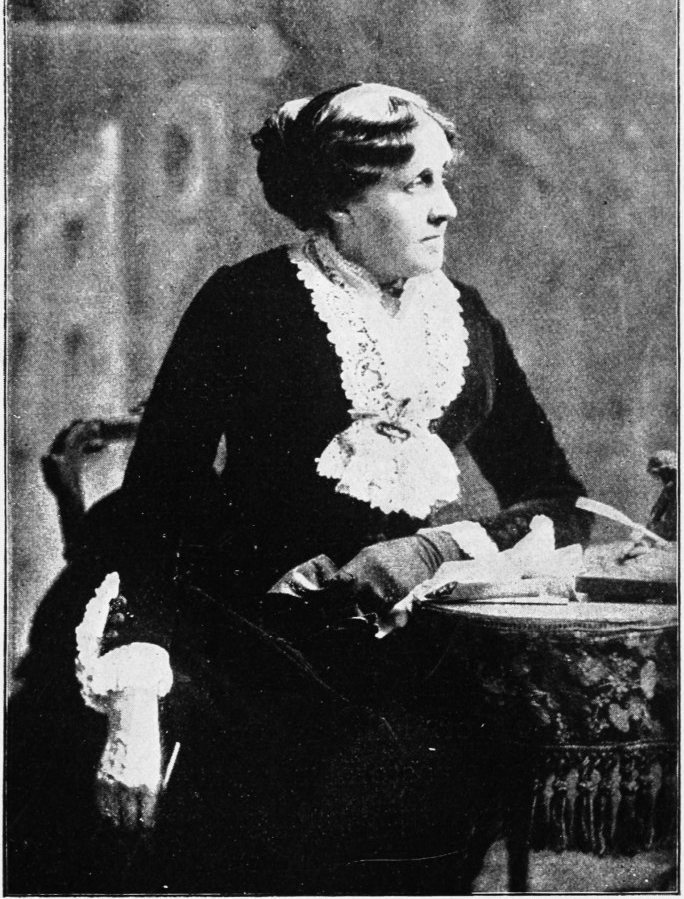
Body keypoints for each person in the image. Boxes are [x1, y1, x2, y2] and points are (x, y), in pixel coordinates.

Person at [9, 82, 590, 895]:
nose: (447, 207)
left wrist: (434, 548)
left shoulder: (464, 320)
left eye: (443, 179)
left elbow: (557, 496)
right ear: (339, 205)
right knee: (272, 799)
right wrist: (135, 695)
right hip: (239, 619)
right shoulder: (247, 303)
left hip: (395, 632)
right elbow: (152, 512)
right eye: (417, 184)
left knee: (459, 756)